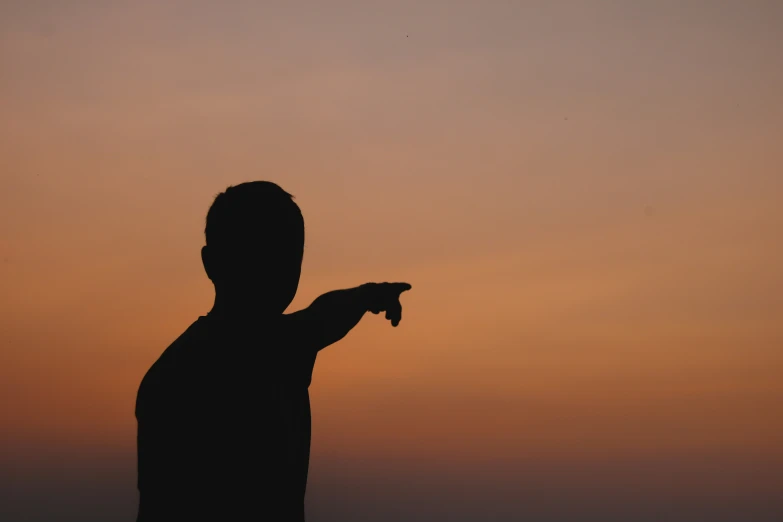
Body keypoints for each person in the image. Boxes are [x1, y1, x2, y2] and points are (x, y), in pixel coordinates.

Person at [134, 181, 411, 521]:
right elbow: (326, 313)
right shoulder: (280, 347)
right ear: (212, 262)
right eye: (260, 255)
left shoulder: (170, 373)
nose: (276, 271)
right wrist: (367, 296)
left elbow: (327, 311)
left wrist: (367, 295)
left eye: (287, 257)